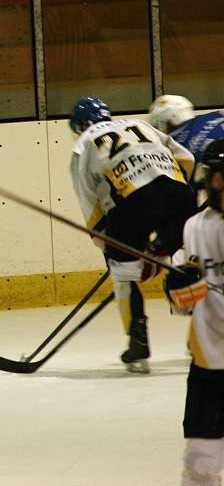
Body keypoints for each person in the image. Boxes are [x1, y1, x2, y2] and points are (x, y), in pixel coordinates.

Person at [68, 96, 197, 373]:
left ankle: (137, 341)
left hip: (133, 203)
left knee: (122, 273)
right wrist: (179, 193)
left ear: (79, 125)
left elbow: (91, 205)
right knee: (186, 261)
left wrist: (109, 248)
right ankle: (206, 328)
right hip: (178, 193)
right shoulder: (143, 126)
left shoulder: (82, 144)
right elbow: (187, 158)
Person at [163, 138, 224, 486]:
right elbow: (182, 305)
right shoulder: (194, 227)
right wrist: (180, 285)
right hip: (209, 365)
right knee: (201, 460)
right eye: (216, 177)